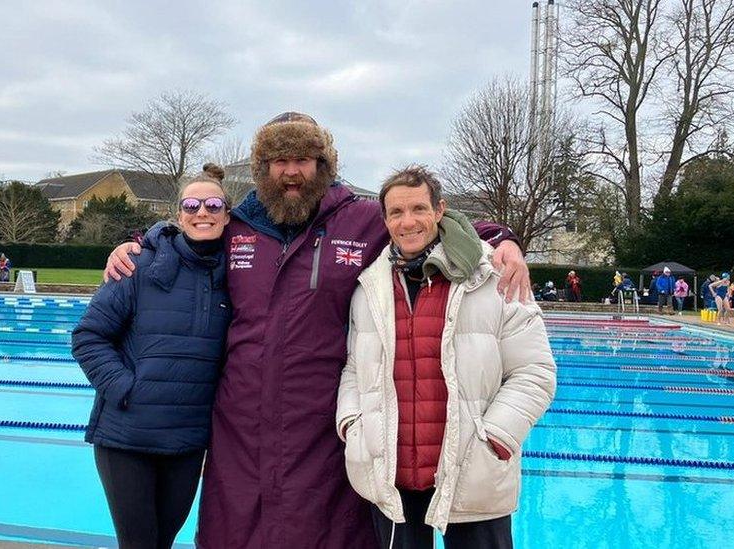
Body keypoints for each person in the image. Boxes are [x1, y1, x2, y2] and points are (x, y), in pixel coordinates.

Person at [104, 112, 533, 548]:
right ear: (263, 168)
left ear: (323, 165)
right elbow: (186, 234)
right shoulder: (238, 227)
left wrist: (504, 238)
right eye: (279, 160)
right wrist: (138, 238)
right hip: (240, 421)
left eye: (304, 159)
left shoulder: (361, 221)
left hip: (322, 421)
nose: (291, 171)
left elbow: (425, 224)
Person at [336, 166, 555, 548]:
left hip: (474, 470)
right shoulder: (369, 286)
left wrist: (496, 439)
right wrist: (354, 427)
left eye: (418, 208)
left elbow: (534, 372)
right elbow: (355, 369)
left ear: (440, 210)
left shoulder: (494, 276)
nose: (408, 222)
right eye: (396, 213)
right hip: (392, 476)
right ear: (385, 220)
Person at [71, 165, 232, 549]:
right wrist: (126, 388)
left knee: (163, 540)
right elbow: (88, 336)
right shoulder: (139, 264)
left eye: (213, 205)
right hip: (127, 436)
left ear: (227, 215)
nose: (202, 213)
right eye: (191, 205)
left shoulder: (237, 277)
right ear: (178, 215)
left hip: (187, 439)